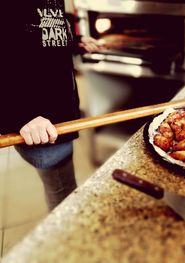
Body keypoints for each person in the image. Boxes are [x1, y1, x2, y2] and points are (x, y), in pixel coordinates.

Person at [0, 0, 103, 211]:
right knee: (64, 196)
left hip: (61, 118)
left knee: (62, 189)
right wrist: (20, 117)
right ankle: (66, 242)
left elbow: (40, 35)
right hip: (37, 126)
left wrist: (74, 41)